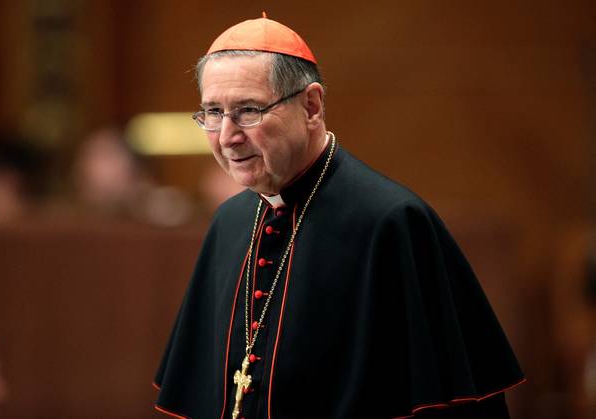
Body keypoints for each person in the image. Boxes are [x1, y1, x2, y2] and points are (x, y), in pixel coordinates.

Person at [154, 14, 524, 419]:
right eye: (212, 112)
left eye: (247, 110)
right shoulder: (228, 222)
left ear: (311, 106)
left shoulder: (392, 222)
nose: (227, 136)